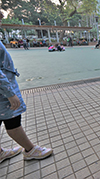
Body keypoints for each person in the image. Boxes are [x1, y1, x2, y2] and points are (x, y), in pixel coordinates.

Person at [0, 11, 53, 163]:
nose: (1, 23)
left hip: (3, 87)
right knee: (13, 120)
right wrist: (9, 93)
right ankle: (30, 150)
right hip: (3, 92)